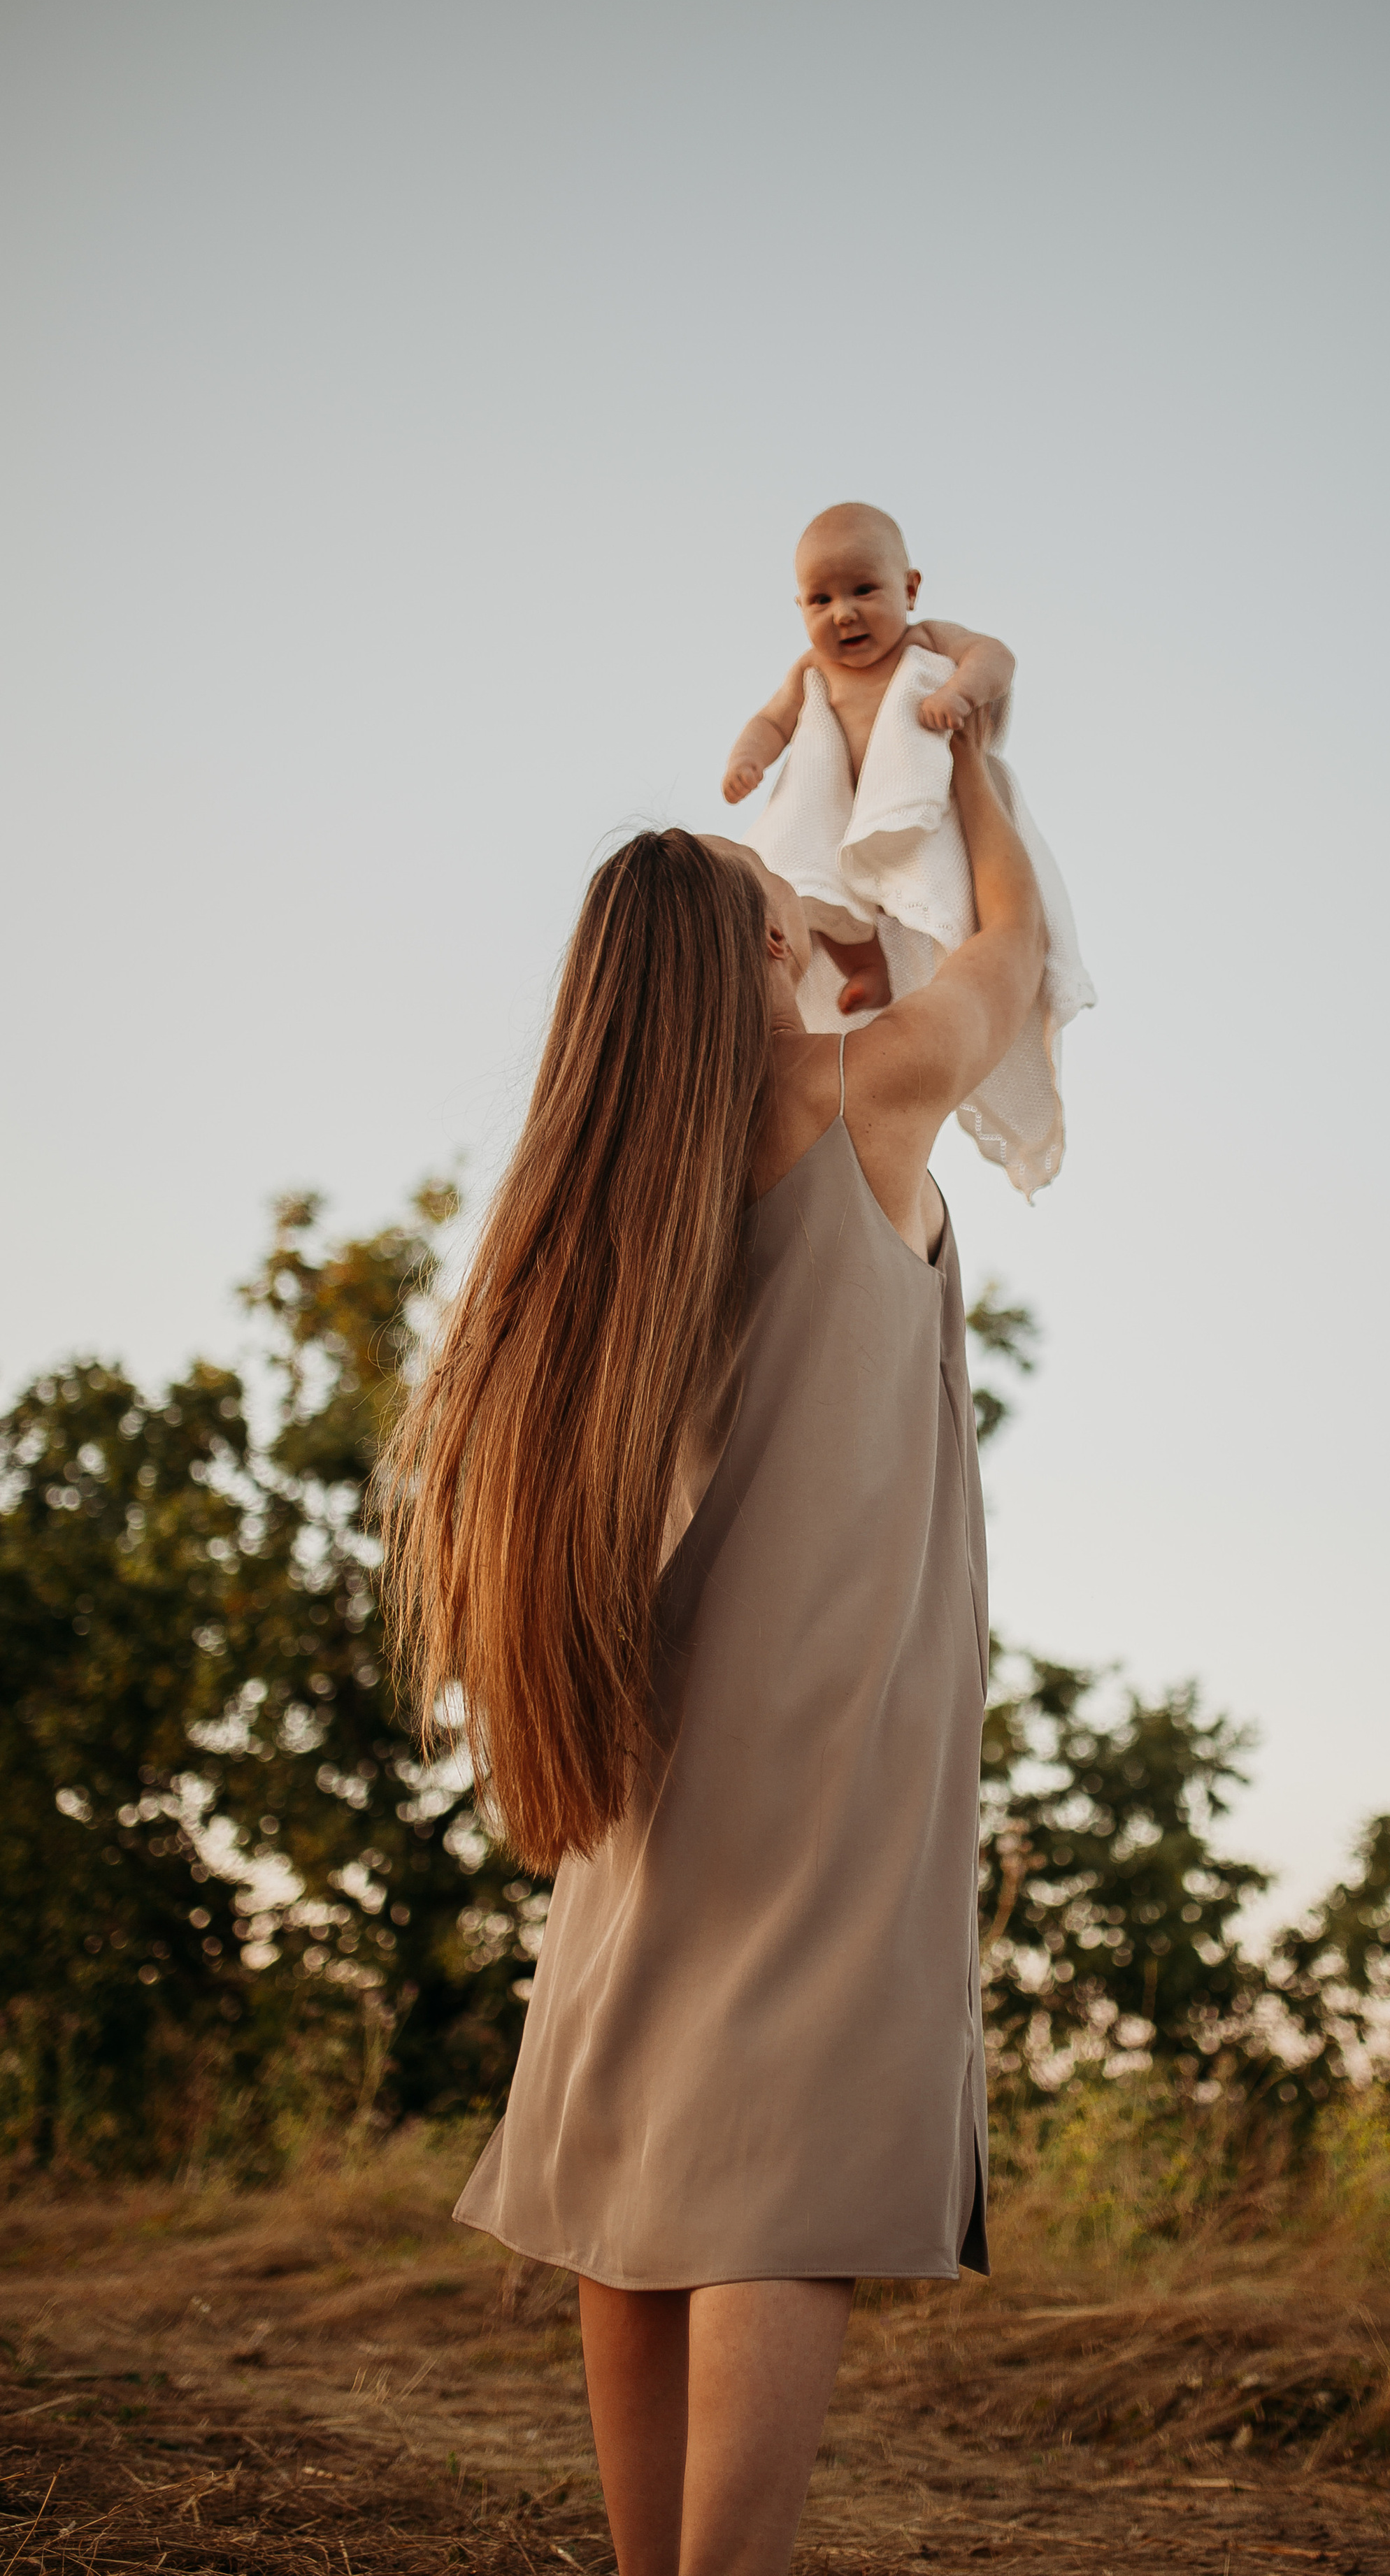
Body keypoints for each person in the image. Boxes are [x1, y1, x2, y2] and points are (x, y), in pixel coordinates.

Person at [380, 724, 1045, 2576]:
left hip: (662, 1723)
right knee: (784, 2164)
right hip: (832, 1714)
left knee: (645, 2154)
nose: (821, 910)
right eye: (790, 901)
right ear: (763, 960)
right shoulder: (863, 1089)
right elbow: (1014, 955)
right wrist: (972, 755)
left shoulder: (631, 1183)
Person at [721, 503, 1095, 1200]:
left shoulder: (924, 643)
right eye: (821, 599)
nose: (843, 615)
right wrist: (748, 761)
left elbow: (995, 657)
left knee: (929, 897)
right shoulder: (813, 672)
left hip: (917, 819)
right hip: (841, 828)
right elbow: (771, 722)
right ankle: (865, 970)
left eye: (864, 591)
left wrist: (957, 691)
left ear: (910, 589)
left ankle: (925, 965)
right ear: (799, 606)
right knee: (818, 901)